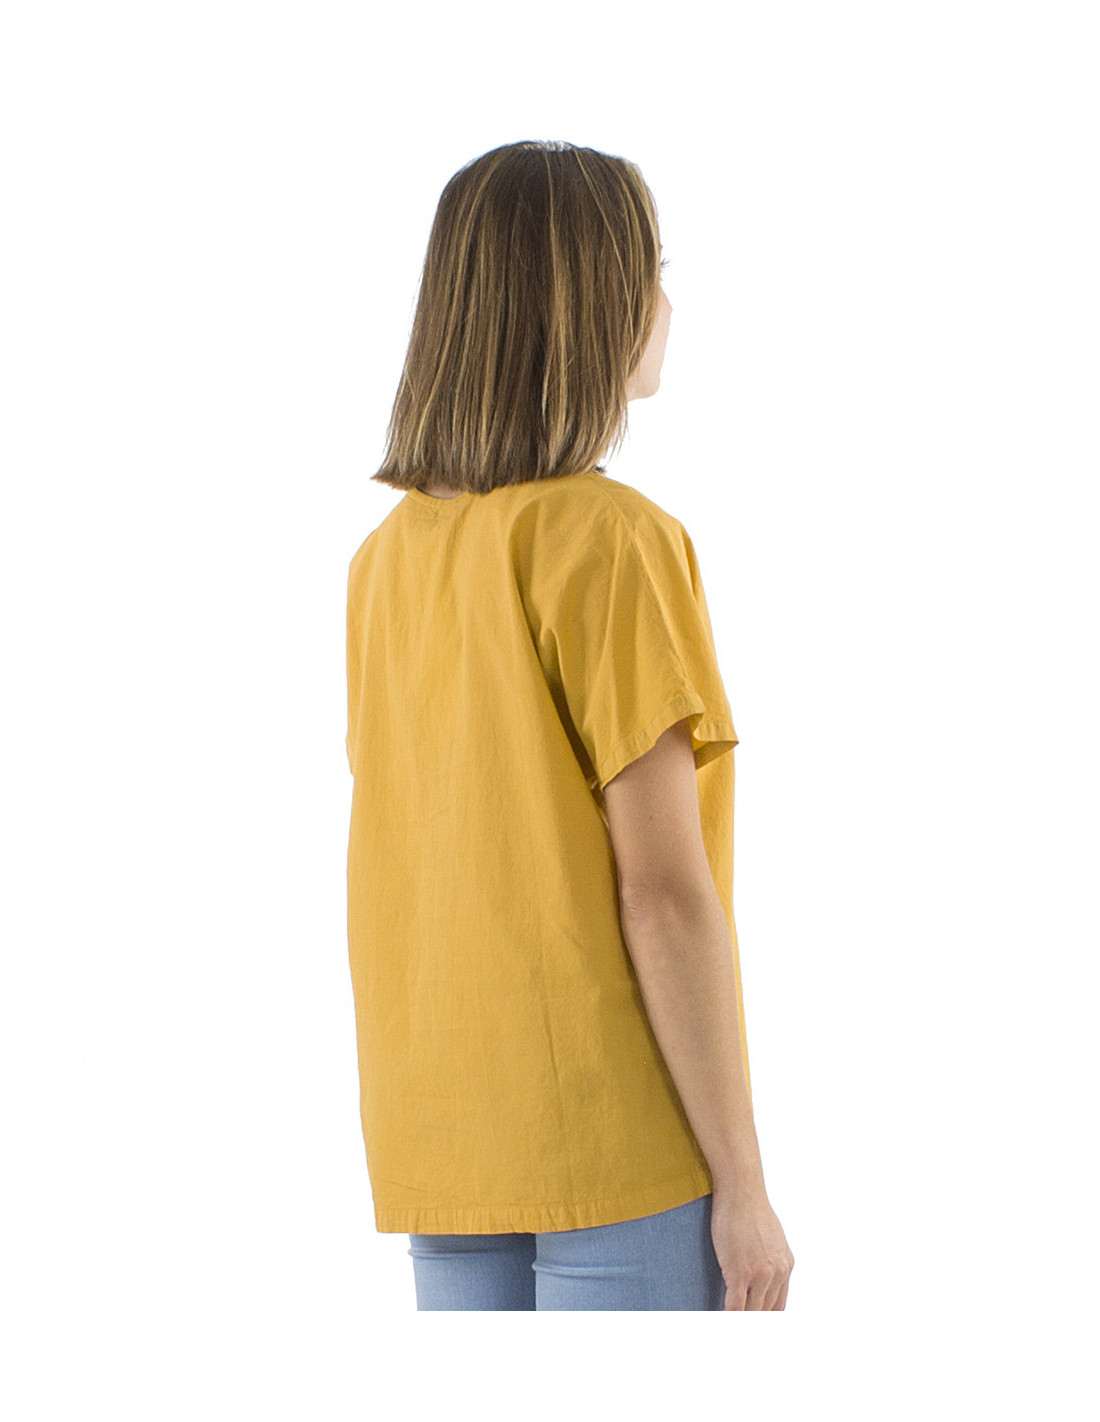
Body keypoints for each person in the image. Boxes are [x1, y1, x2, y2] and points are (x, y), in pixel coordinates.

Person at [345, 139, 794, 1310]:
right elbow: (660, 892)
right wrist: (742, 1185)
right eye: (652, 270)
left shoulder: (384, 562)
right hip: (607, 1132)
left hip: (441, 1132)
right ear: (593, 302)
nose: (666, 304)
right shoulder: (610, 540)